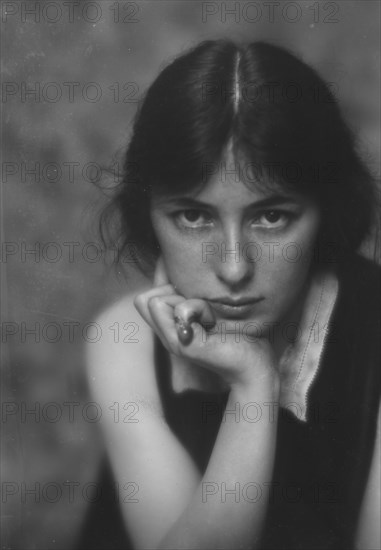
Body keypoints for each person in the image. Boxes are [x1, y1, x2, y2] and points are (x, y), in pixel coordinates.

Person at [82, 40, 380, 550]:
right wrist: (253, 387)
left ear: (325, 210)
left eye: (272, 217)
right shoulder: (123, 338)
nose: (235, 267)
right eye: (194, 217)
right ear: (149, 215)